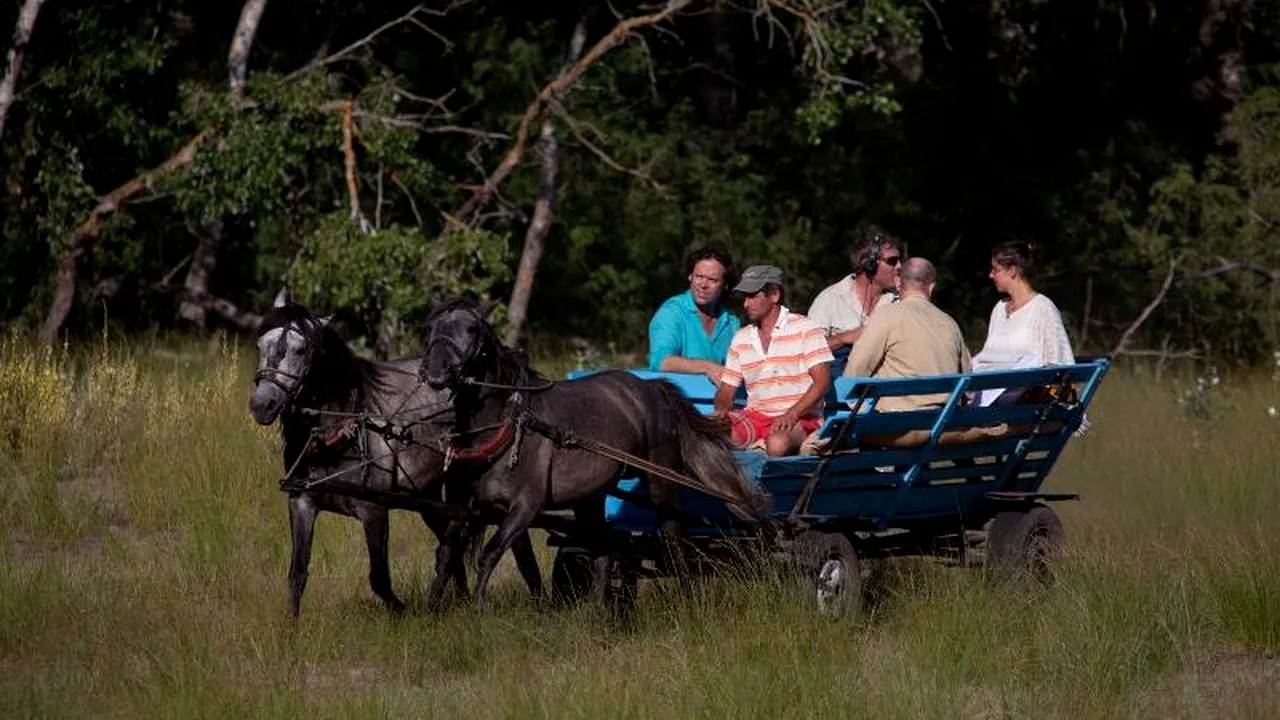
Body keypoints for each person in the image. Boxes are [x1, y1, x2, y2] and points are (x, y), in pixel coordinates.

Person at [713, 265, 833, 457]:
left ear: (775, 295)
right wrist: (721, 410)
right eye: (745, 297)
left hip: (800, 417)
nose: (746, 304)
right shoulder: (741, 338)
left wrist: (792, 414)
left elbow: (822, 382)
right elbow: (727, 388)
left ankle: (775, 454)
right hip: (755, 417)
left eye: (753, 296)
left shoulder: (806, 328)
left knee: (777, 443)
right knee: (712, 434)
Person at [843, 258, 972, 412]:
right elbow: (968, 385)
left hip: (896, 419)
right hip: (944, 416)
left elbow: (857, 368)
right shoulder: (949, 322)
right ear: (931, 287)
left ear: (899, 282)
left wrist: (857, 406)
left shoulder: (886, 315)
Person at [973, 241, 1083, 418]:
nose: (990, 275)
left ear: (1012, 270)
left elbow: (1058, 362)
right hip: (989, 402)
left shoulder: (1043, 309)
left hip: (1026, 405)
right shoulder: (999, 309)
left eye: (995, 269)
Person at [806, 229, 903, 377]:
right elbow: (807, 351)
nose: (899, 267)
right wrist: (844, 338)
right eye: (892, 261)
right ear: (869, 264)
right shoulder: (830, 299)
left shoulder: (900, 301)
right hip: (842, 387)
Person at [647, 246, 742, 384]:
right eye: (699, 276)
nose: (703, 285)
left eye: (712, 279)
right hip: (677, 396)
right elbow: (661, 362)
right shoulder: (671, 312)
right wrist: (708, 367)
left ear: (725, 284)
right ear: (690, 276)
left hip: (718, 397)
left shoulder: (732, 323)